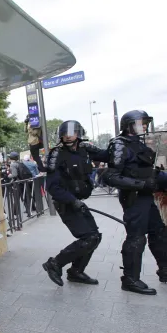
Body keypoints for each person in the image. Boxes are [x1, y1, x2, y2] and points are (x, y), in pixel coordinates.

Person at [103, 110, 167, 295]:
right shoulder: (119, 144)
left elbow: (147, 171)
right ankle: (130, 279)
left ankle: (166, 270)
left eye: (145, 123)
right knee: (136, 238)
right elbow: (111, 177)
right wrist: (142, 184)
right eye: (140, 123)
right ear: (129, 124)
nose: (144, 126)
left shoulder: (138, 143)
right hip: (134, 197)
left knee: (159, 232)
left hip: (145, 195)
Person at [41, 120, 108, 286]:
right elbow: (52, 187)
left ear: (79, 133)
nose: (68, 136)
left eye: (72, 132)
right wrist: (73, 201)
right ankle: (55, 263)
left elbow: (108, 155)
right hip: (67, 204)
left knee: (95, 237)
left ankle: (76, 272)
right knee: (89, 237)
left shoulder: (85, 150)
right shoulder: (57, 155)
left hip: (79, 202)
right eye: (64, 133)